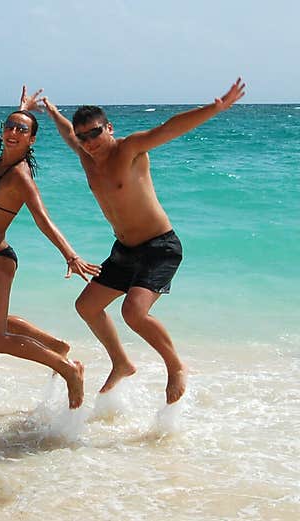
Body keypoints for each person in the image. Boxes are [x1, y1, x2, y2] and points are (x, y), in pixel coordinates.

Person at [40, 78, 245, 404]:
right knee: (87, 306)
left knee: (133, 312)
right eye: (84, 136)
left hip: (159, 246)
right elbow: (68, 132)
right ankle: (121, 363)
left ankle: (175, 365)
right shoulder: (86, 157)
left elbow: (168, 129)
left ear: (109, 127)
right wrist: (51, 111)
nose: (90, 141)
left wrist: (214, 108)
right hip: (125, 250)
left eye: (96, 132)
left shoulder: (129, 149)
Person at [0, 86, 100, 410]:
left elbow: (43, 219)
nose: (13, 131)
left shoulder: (20, 177)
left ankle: (67, 369)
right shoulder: (2, 162)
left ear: (32, 140)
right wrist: (24, 110)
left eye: (22, 129)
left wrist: (71, 255)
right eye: (10, 126)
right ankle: (56, 346)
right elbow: (16, 131)